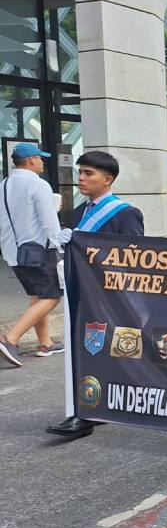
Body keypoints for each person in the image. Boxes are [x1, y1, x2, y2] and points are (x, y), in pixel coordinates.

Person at [46, 150, 145, 439]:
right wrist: (65, 243)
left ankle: (93, 410)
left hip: (110, 300)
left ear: (107, 179)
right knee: (86, 353)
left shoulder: (125, 213)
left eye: (88, 173)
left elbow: (135, 257)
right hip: (82, 296)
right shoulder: (79, 211)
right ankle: (88, 408)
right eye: (80, 172)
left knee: (108, 355)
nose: (81, 178)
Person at [0, 143, 64, 368]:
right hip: (39, 251)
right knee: (51, 297)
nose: (42, 162)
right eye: (40, 158)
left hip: (13, 252)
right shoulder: (39, 185)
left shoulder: (3, 184)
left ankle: (46, 343)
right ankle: (9, 340)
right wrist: (60, 245)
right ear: (31, 160)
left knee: (38, 295)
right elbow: (49, 222)